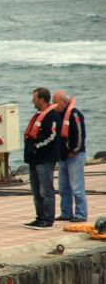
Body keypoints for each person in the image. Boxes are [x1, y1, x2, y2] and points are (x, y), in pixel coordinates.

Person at [23, 87, 61, 230]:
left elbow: (51, 136)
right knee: (36, 191)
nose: (32, 100)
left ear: (42, 99)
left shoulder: (52, 116)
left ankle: (48, 219)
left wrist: (36, 146)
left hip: (44, 159)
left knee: (46, 191)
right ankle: (39, 217)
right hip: (34, 160)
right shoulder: (39, 114)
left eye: (34, 98)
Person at [52, 91, 87, 222]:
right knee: (63, 187)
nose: (54, 105)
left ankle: (81, 214)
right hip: (62, 156)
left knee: (77, 187)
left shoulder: (74, 114)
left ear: (64, 102)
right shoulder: (57, 115)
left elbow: (80, 134)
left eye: (56, 102)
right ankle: (66, 212)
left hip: (75, 156)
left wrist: (75, 150)